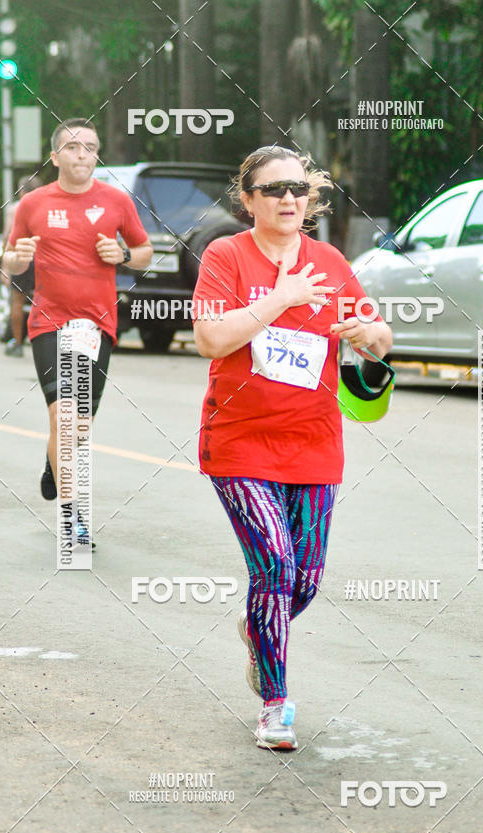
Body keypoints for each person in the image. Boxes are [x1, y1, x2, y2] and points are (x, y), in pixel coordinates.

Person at [192, 145, 393, 750]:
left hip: (312, 443)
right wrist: (280, 298)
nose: (288, 199)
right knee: (275, 568)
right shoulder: (225, 257)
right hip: (239, 443)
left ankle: (259, 630)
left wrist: (365, 333)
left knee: (304, 581)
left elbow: (381, 335)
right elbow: (209, 338)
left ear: (311, 199)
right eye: (274, 189)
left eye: (299, 190)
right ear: (248, 199)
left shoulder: (330, 260)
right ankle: (275, 705)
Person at [1, 118, 152, 547]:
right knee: (63, 418)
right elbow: (8, 263)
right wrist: (19, 256)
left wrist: (122, 254)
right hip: (49, 322)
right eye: (72, 147)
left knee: (78, 427)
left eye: (89, 147)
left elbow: (144, 253)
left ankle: (54, 465)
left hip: (97, 326)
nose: (82, 154)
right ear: (55, 157)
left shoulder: (117, 201)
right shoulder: (33, 203)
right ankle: (72, 516)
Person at [0, 174, 43, 357]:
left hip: (22, 256)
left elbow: (7, 237)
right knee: (44, 301)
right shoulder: (45, 207)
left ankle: (17, 343)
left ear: (21, 191)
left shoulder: (15, 209)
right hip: (43, 258)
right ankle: (42, 342)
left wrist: (5, 265)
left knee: (17, 301)